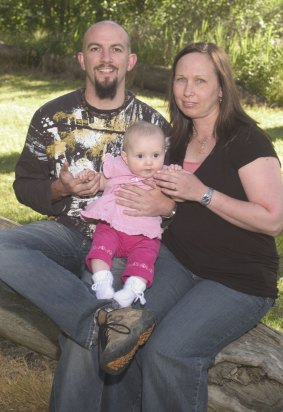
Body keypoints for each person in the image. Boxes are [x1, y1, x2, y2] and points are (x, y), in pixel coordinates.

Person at [0, 20, 174, 411]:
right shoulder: (51, 115)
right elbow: (24, 184)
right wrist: (61, 189)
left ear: (130, 60)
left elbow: (175, 192)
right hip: (67, 231)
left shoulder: (155, 126)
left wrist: (165, 205)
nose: (105, 58)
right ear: (82, 58)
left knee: (80, 346)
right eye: (95, 49)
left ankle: (93, 327)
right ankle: (96, 318)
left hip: (121, 245)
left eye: (115, 50)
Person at [99, 42, 283, 412]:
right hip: (181, 261)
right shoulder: (178, 139)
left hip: (238, 279)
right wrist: (163, 205)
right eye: (181, 79)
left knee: (170, 352)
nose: (188, 90)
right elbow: (175, 206)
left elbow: (274, 219)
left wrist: (202, 193)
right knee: (123, 335)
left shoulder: (246, 140)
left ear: (221, 88)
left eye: (200, 80)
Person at [81, 121, 166, 309]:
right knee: (101, 246)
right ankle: (102, 280)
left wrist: (175, 174)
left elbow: (178, 188)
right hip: (114, 228)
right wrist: (90, 178)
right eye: (141, 156)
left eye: (156, 155)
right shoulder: (118, 167)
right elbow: (102, 182)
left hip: (144, 235)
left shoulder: (162, 176)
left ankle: (132, 291)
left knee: (145, 259)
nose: (149, 162)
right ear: (125, 158)